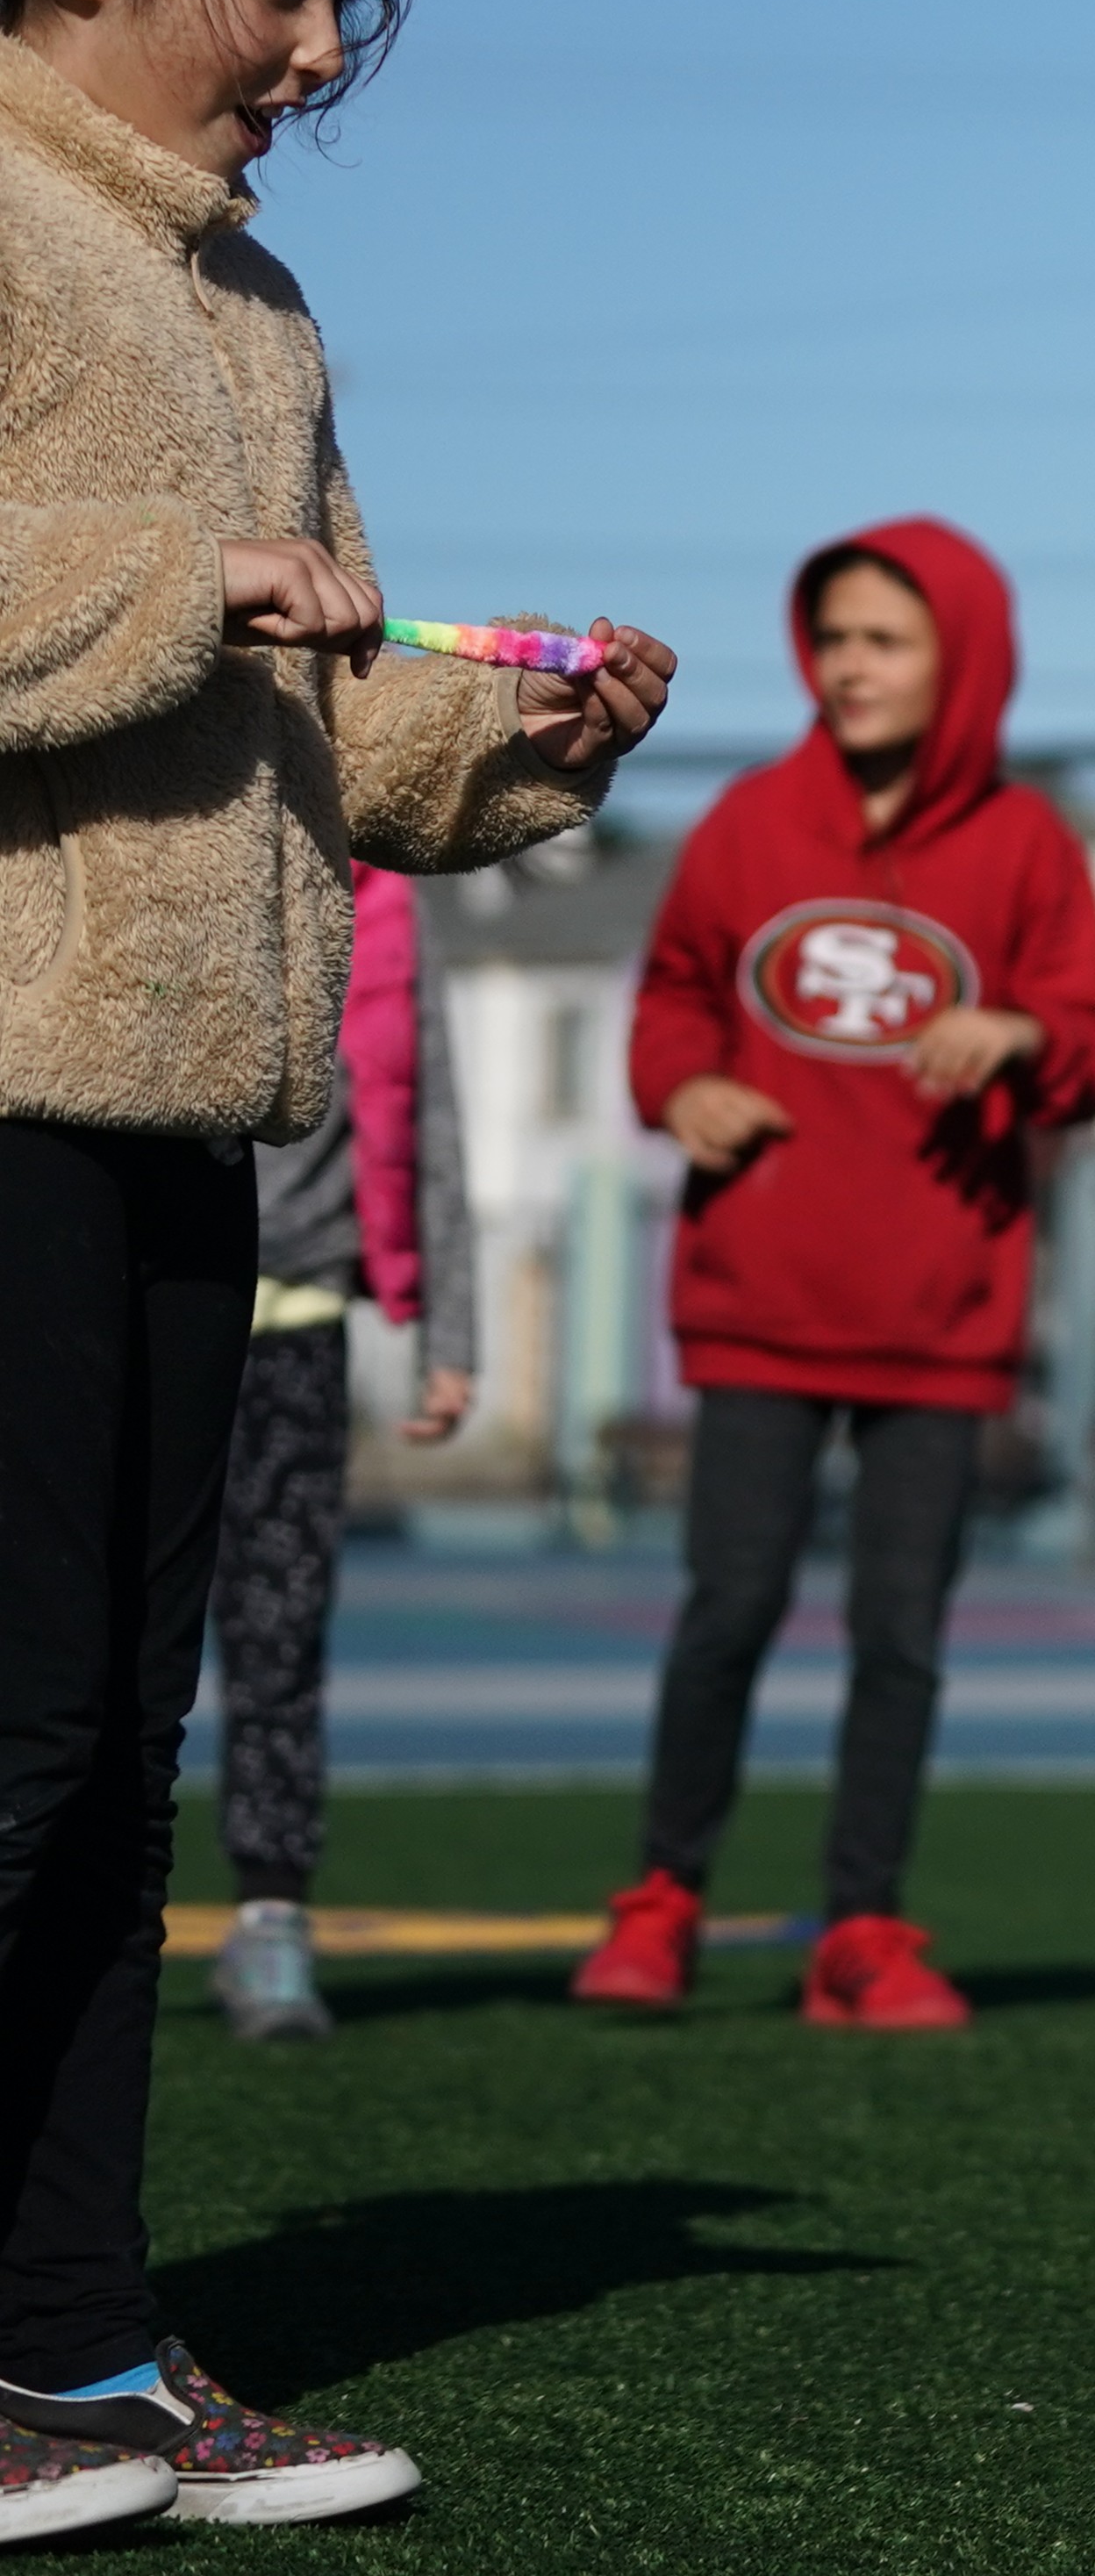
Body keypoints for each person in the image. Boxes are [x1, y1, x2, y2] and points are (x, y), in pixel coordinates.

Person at [0, 0, 670, 2538]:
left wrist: (525, 742)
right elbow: (166, 619)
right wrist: (192, 574)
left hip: (195, 1114)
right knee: (15, 1747)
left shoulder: (255, 303)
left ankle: (82, 2367)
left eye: (342, 4)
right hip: (6, 1094)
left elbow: (320, 735)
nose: (315, 53)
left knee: (106, 1758)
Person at [574, 523, 1095, 2038]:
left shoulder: (1027, 848)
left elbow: (1091, 1045)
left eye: (886, 639)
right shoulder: (748, 824)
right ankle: (661, 1903)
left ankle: (861, 1931)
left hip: (941, 1317)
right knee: (728, 1607)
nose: (850, 667)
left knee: (901, 1637)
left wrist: (1017, 1037)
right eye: (833, 640)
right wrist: (679, 1090)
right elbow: (673, 1000)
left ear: (965, 660)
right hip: (756, 1299)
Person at [209, 862, 478, 2045]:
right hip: (123, 1305)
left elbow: (433, 1120)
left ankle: (271, 1914)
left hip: (295, 1324)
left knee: (279, 1634)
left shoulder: (378, 894)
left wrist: (450, 1331)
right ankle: (54, 1907)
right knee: (86, 1649)